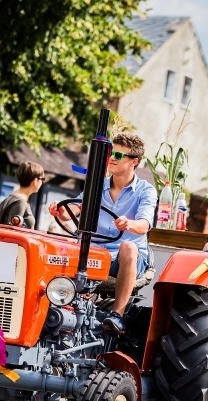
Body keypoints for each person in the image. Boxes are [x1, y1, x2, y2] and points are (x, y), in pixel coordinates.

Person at [48, 133, 157, 333]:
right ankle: (58, 305)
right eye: (110, 153)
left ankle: (117, 316)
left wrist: (129, 224)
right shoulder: (97, 185)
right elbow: (73, 211)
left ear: (134, 162)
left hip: (122, 260)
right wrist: (61, 212)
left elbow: (144, 225)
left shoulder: (145, 191)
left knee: (129, 247)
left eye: (118, 154)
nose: (112, 158)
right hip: (93, 254)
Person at [0, 161, 45, 228]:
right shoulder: (20, 202)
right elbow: (13, 231)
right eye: (42, 179)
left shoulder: (12, 197)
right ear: (35, 181)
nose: (42, 182)